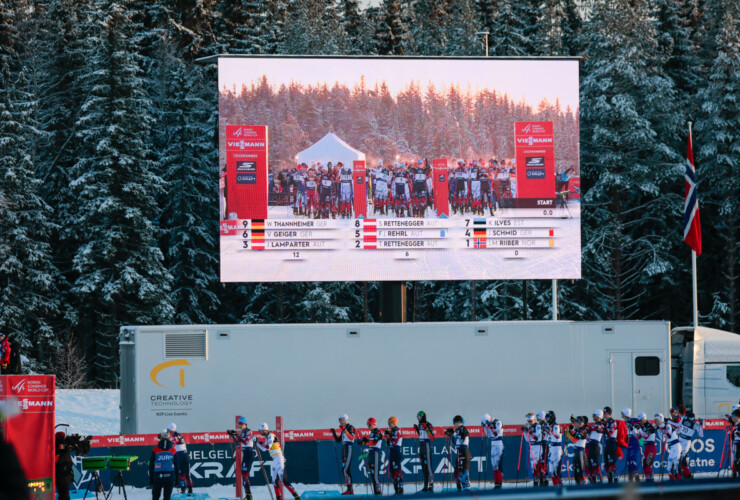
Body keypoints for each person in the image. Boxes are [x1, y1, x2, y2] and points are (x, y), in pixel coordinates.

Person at [255, 423, 301, 500]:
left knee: (283, 480)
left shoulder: (271, 436)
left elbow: (267, 447)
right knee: (274, 481)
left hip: (279, 459)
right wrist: (257, 442)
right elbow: (263, 449)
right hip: (275, 460)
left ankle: (297, 497)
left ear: (264, 429)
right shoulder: (267, 438)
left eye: (260, 430)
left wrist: (258, 442)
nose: (259, 432)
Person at [228, 416, 256, 500]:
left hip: (249, 453)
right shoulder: (242, 432)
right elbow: (237, 443)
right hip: (245, 453)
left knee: (245, 474)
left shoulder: (248, 431)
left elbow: (246, 441)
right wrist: (232, 435)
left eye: (241, 424)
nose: (240, 425)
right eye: (239, 424)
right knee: (244, 475)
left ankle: (249, 496)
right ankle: (248, 495)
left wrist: (237, 435)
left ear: (245, 424)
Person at [150, 430, 179, 500]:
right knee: (167, 497)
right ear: (169, 439)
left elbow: (151, 466)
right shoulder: (173, 450)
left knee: (155, 497)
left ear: (160, 439)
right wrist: (177, 479)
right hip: (170, 476)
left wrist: (151, 478)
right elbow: (177, 465)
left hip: (157, 476)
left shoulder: (155, 450)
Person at [357, 418, 383, 496]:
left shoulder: (377, 432)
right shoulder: (372, 432)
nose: (368, 426)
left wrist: (364, 443)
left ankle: (378, 492)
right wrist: (365, 441)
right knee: (371, 473)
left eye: (369, 425)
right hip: (371, 453)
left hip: (375, 453)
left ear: (373, 424)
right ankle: (375, 492)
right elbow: (370, 442)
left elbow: (373, 443)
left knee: (375, 475)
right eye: (367, 425)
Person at [330, 414, 355, 495]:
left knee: (345, 470)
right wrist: (334, 432)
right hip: (344, 449)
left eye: (341, 420)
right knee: (345, 470)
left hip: (349, 449)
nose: (340, 422)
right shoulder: (343, 429)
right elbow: (338, 440)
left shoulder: (350, 427)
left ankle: (350, 489)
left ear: (345, 420)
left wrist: (345, 430)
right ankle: (349, 489)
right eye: (339, 420)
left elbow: (351, 438)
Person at [445, 415, 470, 491]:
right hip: (460, 452)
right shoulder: (458, 430)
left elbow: (462, 438)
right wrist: (451, 435)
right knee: (458, 471)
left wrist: (456, 434)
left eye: (455, 423)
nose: (454, 425)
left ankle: (466, 488)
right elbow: (457, 442)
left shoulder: (463, 428)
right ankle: (460, 483)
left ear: (459, 422)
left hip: (464, 452)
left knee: (464, 471)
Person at [167, 423, 192, 495]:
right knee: (184, 474)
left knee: (184, 474)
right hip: (183, 455)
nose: (168, 431)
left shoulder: (175, 436)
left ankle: (187, 490)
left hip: (181, 456)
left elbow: (172, 445)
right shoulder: (178, 435)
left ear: (171, 429)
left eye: (168, 429)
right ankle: (186, 490)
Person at [678, 409, 703, 479]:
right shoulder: (684, 418)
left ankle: (686, 474)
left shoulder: (695, 424)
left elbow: (701, 435)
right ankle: (683, 473)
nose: (692, 420)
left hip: (686, 441)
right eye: (691, 418)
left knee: (682, 457)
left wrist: (701, 425)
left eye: (693, 418)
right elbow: (678, 422)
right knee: (677, 457)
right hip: (679, 439)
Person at [656, 413, 681, 480]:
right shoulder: (661, 427)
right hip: (672, 447)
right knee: (668, 468)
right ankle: (672, 481)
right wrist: (659, 430)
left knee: (676, 468)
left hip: (676, 446)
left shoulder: (667, 425)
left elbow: (669, 436)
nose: (656, 422)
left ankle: (680, 482)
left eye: (657, 420)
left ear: (660, 419)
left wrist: (664, 428)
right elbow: (663, 439)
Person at [414, 411, 435, 492]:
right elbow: (421, 435)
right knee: (424, 468)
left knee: (429, 467)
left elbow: (432, 437)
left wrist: (426, 428)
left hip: (426, 445)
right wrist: (417, 429)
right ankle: (425, 486)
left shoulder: (428, 424)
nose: (418, 418)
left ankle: (431, 486)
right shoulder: (420, 424)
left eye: (419, 417)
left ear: (423, 417)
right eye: (417, 417)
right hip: (421, 445)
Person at [481, 413, 504, 488]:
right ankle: (496, 482)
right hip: (493, 443)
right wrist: (484, 427)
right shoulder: (490, 424)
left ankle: (499, 482)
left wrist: (490, 426)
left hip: (498, 443)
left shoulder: (497, 422)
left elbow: (496, 433)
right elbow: (489, 435)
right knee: (493, 464)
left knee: (497, 464)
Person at [522, 413, 544, 486]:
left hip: (537, 446)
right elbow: (527, 439)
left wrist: (529, 432)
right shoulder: (529, 426)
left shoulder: (537, 426)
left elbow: (536, 438)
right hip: (532, 446)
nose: (529, 422)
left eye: (530, 421)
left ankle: (541, 479)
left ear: (534, 419)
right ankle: (535, 479)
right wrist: (524, 432)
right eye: (528, 421)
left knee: (538, 464)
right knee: (532, 465)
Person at [566, 416, 588, 485]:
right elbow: (572, 433)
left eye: (576, 422)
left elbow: (575, 439)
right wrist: (569, 431)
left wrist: (568, 435)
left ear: (580, 423)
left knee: (580, 471)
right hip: (576, 451)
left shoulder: (583, 430)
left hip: (580, 452)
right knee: (576, 471)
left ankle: (584, 485)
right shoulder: (577, 430)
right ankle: (578, 485)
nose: (574, 423)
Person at [384, 416, 404, 494]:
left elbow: (394, 442)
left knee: (397, 471)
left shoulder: (397, 430)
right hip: (391, 452)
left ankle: (401, 489)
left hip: (396, 452)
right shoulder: (392, 431)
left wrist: (389, 434)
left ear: (393, 423)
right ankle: (396, 490)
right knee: (392, 472)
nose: (389, 424)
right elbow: (388, 443)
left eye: (390, 423)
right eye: (388, 423)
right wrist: (386, 436)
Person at [585, 409, 605, 483]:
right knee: (590, 464)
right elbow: (589, 430)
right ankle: (593, 480)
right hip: (591, 445)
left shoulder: (600, 425)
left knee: (595, 463)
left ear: (598, 416)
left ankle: (599, 478)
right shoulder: (595, 424)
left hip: (595, 445)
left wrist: (584, 426)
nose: (592, 416)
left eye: (594, 415)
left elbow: (590, 429)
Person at [622, 409, 642, 482]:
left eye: (622, 413)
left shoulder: (633, 420)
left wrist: (634, 427)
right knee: (629, 461)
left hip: (633, 440)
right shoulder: (625, 422)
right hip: (629, 441)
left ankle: (637, 477)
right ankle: (630, 478)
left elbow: (640, 425)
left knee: (632, 461)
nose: (622, 415)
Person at [638, 412, 658, 482]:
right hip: (647, 448)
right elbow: (639, 437)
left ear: (644, 419)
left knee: (648, 465)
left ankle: (651, 480)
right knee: (644, 465)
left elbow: (646, 436)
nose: (639, 422)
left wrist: (639, 430)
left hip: (651, 448)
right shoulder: (643, 427)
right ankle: (647, 480)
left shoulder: (650, 426)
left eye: (640, 421)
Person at [545, 411, 563, 486]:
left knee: (556, 470)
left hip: (557, 448)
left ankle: (559, 485)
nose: (546, 419)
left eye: (548, 417)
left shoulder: (555, 426)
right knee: (552, 470)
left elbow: (557, 436)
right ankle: (555, 485)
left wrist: (550, 430)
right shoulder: (551, 425)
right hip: (552, 447)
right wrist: (546, 431)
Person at [602, 407, 619, 483]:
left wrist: (604, 427)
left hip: (612, 442)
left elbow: (611, 432)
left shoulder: (612, 421)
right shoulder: (606, 422)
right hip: (607, 443)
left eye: (604, 414)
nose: (603, 415)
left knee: (611, 462)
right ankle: (609, 478)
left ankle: (615, 478)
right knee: (606, 463)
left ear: (609, 414)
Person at [731, 409, 740, 478]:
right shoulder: (735, 425)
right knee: (735, 463)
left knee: (738, 463)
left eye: (733, 416)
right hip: (736, 445)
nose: (732, 417)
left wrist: (737, 432)